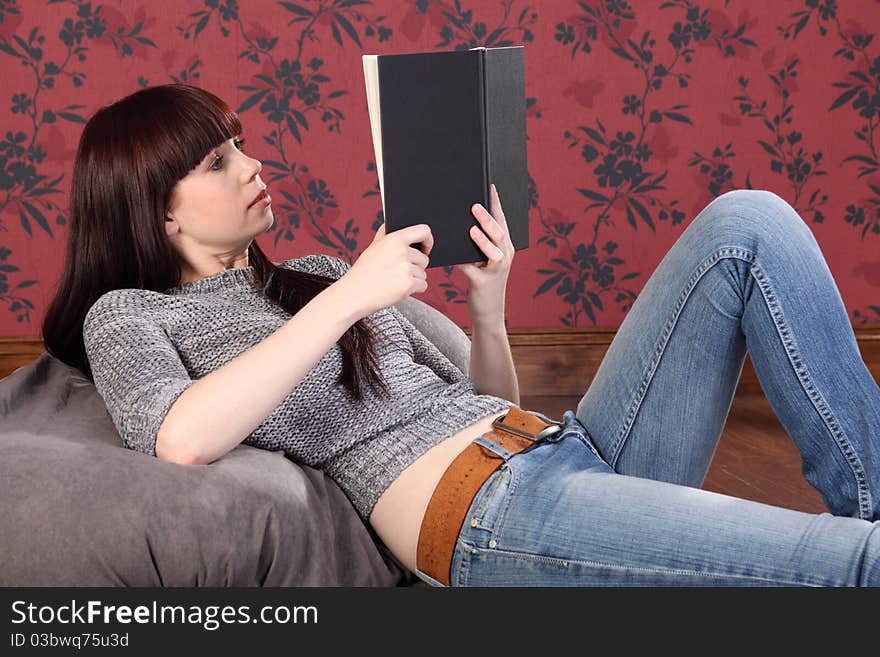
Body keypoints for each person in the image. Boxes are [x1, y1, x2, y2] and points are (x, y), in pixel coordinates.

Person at [42, 83, 880, 587]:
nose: (255, 166)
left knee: (747, 221)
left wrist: (488, 302)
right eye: (218, 162)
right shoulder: (131, 313)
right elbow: (179, 437)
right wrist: (343, 303)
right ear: (159, 205)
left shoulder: (322, 269)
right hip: (483, 511)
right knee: (848, 566)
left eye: (243, 146)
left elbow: (491, 405)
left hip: (564, 448)